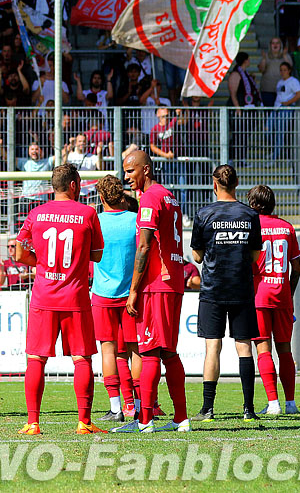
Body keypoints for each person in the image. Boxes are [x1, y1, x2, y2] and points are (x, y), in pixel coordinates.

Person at [15, 163, 106, 436]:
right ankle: (84, 423)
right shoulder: (88, 213)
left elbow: (19, 254)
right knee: (82, 359)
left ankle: (33, 423)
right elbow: (97, 255)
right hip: (75, 297)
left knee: (36, 359)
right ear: (75, 185)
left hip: (43, 296)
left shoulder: (35, 213)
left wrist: (40, 263)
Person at [114, 150, 189, 433]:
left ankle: (144, 421)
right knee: (168, 351)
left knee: (149, 352)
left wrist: (133, 290)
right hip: (174, 281)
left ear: (145, 169)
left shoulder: (150, 198)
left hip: (157, 284)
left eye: (130, 171)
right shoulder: (170, 196)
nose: (127, 177)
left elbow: (144, 246)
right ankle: (181, 418)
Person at [189, 165, 263, 422]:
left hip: (212, 289)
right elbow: (255, 255)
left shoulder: (204, 214)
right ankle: (249, 409)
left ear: (214, 184)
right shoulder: (250, 215)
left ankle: (207, 409)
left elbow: (197, 256)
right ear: (237, 183)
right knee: (244, 347)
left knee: (213, 347)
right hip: (242, 288)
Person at [248, 185, 300, 416]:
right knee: (285, 350)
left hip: (259, 295)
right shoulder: (287, 228)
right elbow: (296, 268)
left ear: (253, 205)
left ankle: (273, 404)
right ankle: (291, 403)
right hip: (282, 294)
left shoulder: (251, 227)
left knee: (263, 349)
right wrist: (289, 292)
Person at [91, 176, 140, 423]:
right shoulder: (135, 221)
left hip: (103, 295)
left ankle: (116, 407)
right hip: (132, 294)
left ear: (101, 198)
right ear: (121, 195)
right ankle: (140, 406)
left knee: (108, 350)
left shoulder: (96, 221)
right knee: (136, 351)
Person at [258, 37, 292, 107]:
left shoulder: (286, 56)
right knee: (268, 112)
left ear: (280, 45)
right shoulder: (265, 56)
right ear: (270, 45)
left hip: (282, 89)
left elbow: (290, 68)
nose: (275, 45)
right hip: (267, 89)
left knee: (282, 114)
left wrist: (284, 55)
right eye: (273, 43)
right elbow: (261, 70)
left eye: (277, 43)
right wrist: (264, 59)